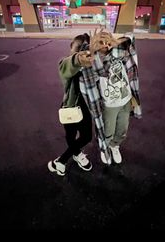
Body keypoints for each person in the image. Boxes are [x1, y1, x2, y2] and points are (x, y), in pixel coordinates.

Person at [90, 29, 142, 165]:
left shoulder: (119, 52)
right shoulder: (94, 60)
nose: (106, 46)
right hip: (109, 104)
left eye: (108, 43)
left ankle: (115, 146)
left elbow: (130, 36)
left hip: (125, 99)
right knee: (108, 130)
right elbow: (92, 76)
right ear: (96, 44)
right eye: (102, 43)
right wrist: (95, 46)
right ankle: (105, 147)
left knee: (122, 129)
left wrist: (112, 41)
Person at [48, 33, 94, 176]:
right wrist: (79, 58)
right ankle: (69, 157)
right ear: (71, 48)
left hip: (86, 108)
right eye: (78, 48)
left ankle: (62, 160)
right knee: (71, 135)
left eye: (85, 48)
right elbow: (70, 65)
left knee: (87, 137)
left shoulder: (92, 64)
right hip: (71, 107)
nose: (81, 51)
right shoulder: (65, 62)